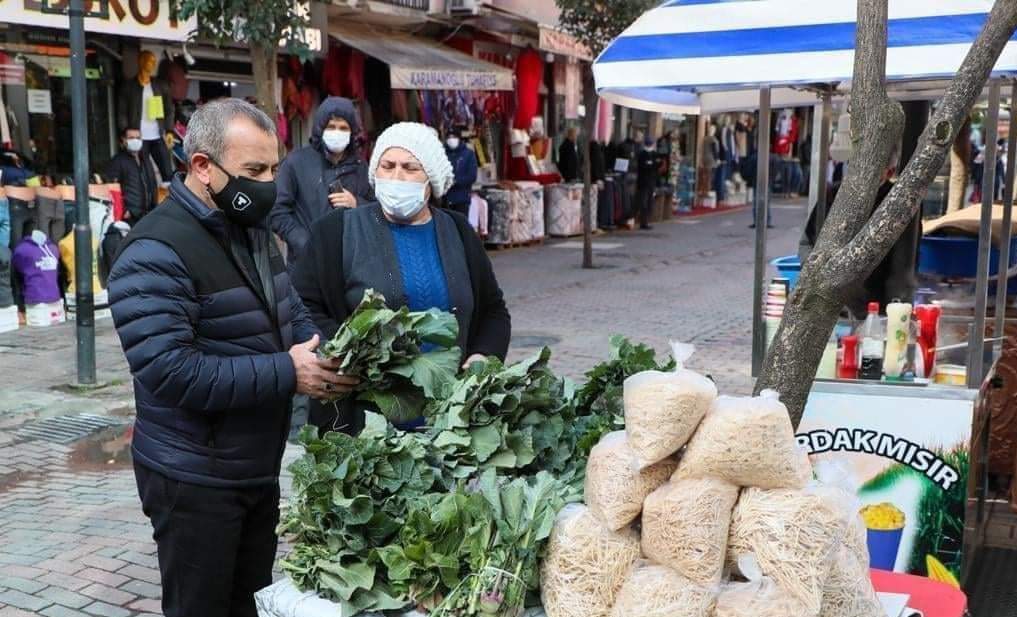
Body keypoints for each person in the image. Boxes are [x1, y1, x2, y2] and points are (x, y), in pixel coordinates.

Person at [107, 98, 356, 617]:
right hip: (193, 476)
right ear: (202, 167)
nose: (268, 184)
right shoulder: (152, 250)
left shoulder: (253, 231)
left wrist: (324, 352)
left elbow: (289, 311)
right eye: (254, 171)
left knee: (249, 603)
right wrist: (289, 371)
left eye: (273, 169)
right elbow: (171, 371)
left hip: (252, 468)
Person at [292, 122, 511, 434]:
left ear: (431, 180)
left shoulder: (458, 231)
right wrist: (342, 354)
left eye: (410, 168)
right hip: (362, 424)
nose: (396, 177)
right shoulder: (336, 231)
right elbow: (302, 306)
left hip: (452, 421)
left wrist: (482, 357)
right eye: (387, 165)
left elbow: (493, 311)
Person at [799, 143, 919, 318]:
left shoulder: (900, 204)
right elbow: (807, 244)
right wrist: (818, 278)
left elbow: (903, 268)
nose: (862, 176)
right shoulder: (833, 194)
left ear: (889, 172)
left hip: (875, 309)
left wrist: (892, 311)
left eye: (874, 171)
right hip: (827, 304)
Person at [271, 96, 374, 262]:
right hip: (306, 265)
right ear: (320, 128)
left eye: (343, 128)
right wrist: (303, 242)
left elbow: (377, 210)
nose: (337, 132)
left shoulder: (361, 167)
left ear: (352, 132)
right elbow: (276, 210)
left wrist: (356, 203)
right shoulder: (296, 163)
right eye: (331, 126)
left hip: (350, 264)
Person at [104, 128, 158, 222]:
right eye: (131, 138)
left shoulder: (145, 159)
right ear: (124, 140)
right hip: (130, 216)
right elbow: (111, 189)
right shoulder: (118, 161)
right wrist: (125, 211)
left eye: (138, 138)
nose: (135, 140)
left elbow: (152, 184)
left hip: (148, 214)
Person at [443, 126, 479, 217]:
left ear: (459, 138)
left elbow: (472, 176)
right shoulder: (443, 154)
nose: (451, 140)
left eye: (454, 137)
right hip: (446, 198)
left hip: (462, 199)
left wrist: (456, 181)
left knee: (461, 227)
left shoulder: (468, 154)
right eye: (449, 137)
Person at [635, 134, 659, 230]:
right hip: (644, 182)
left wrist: (651, 164)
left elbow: (656, 166)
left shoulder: (653, 154)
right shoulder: (642, 154)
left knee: (649, 202)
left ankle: (646, 221)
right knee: (644, 202)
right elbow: (645, 167)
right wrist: (651, 165)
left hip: (650, 182)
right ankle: (643, 222)